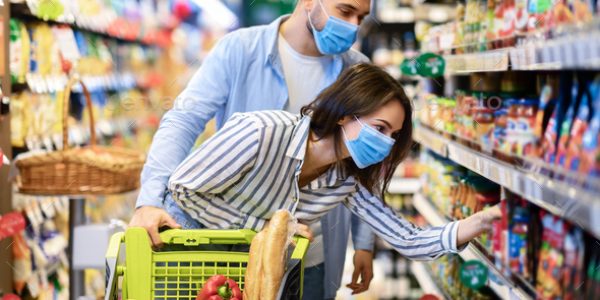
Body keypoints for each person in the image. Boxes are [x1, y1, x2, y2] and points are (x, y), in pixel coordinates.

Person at [167, 64, 502, 289]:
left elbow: (408, 238)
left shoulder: (346, 181)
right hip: (189, 263)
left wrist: (482, 221)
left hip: (250, 280)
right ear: (344, 115)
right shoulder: (262, 131)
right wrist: (268, 229)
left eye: (394, 136)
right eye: (379, 129)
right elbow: (183, 188)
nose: (386, 142)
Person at [129, 0, 377, 298]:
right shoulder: (240, 49)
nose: (353, 26)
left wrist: (364, 241)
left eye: (361, 18)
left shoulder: (357, 70)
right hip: (234, 250)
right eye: (345, 11)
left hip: (310, 253)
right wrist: (150, 201)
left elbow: (365, 162)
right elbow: (184, 120)